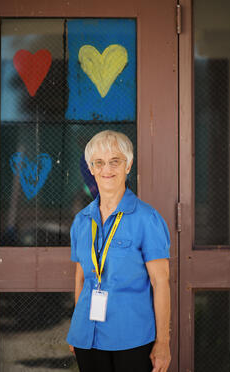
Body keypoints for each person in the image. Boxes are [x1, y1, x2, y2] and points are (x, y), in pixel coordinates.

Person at [67, 130, 171, 372]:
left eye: (115, 161)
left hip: (132, 339)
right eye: (99, 163)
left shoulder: (148, 219)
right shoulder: (81, 221)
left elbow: (161, 282)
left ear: (128, 165)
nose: (107, 169)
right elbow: (80, 278)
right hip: (87, 337)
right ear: (91, 168)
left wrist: (163, 343)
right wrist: (78, 326)